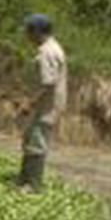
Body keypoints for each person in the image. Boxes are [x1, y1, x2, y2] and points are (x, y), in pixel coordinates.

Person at [17, 13, 67, 193]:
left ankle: (33, 185)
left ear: (37, 31)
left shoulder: (47, 52)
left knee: (37, 143)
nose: (26, 35)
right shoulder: (51, 48)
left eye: (28, 31)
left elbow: (48, 84)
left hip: (45, 107)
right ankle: (24, 178)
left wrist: (29, 103)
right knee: (31, 140)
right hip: (44, 106)